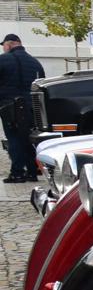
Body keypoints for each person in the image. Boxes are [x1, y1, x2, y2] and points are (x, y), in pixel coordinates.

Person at [0, 34, 45, 182]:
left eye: (3, 45)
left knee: (14, 139)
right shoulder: (35, 62)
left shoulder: (3, 60)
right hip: (32, 107)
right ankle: (32, 171)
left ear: (9, 44)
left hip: (10, 106)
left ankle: (17, 173)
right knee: (28, 138)